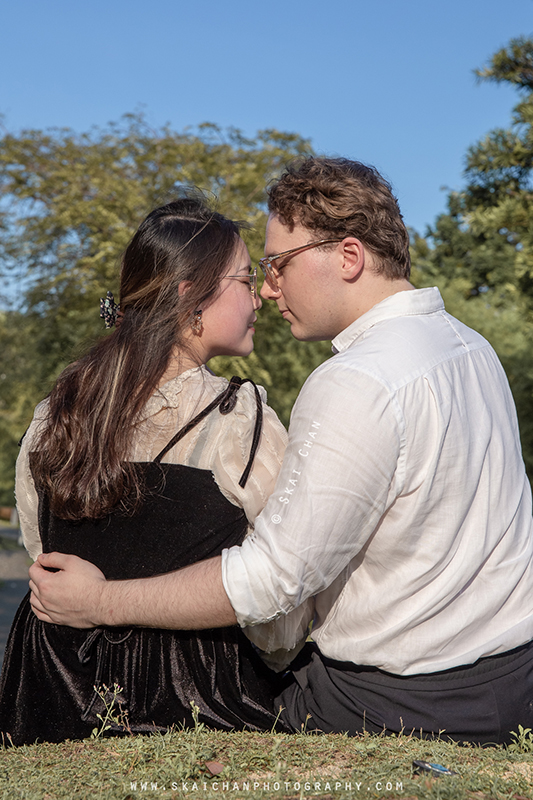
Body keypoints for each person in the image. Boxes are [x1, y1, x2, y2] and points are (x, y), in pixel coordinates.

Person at [29, 158, 533, 744]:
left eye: (277, 265)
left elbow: (271, 582)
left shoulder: (357, 380)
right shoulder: (472, 348)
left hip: (394, 703)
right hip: (513, 679)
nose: (269, 288)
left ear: (348, 257)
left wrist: (103, 601)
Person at [0, 195, 306, 746]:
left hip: (55, 679)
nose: (260, 295)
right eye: (244, 279)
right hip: (194, 694)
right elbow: (280, 605)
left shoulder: (56, 411)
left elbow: (41, 551)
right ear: (191, 295)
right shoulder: (238, 419)